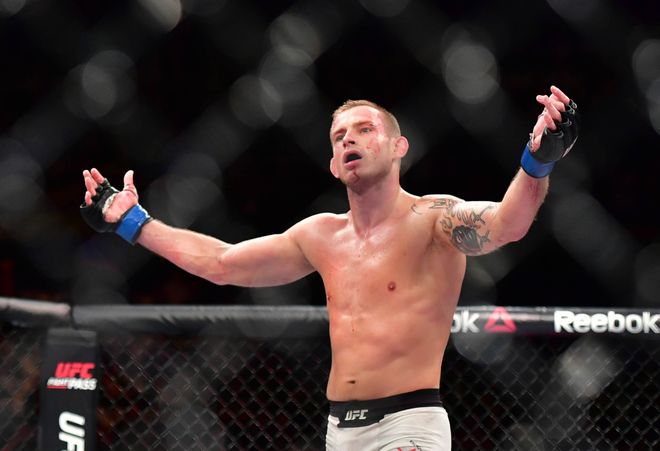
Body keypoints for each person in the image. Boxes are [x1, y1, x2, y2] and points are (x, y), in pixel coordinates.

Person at [81, 85, 579, 451]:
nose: (350, 140)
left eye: (365, 129)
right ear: (335, 166)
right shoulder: (319, 235)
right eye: (340, 136)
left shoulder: (433, 218)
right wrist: (132, 223)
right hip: (339, 430)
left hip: (409, 425)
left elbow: (505, 225)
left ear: (398, 147)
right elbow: (221, 263)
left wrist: (538, 161)